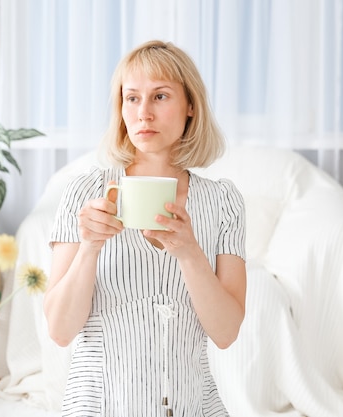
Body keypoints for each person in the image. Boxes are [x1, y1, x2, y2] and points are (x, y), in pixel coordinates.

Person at [43, 40, 247, 417]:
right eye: (132, 98)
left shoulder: (223, 201)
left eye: (160, 96)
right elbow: (60, 330)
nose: (143, 113)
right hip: (97, 407)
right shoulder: (84, 192)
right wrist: (89, 247)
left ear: (191, 106)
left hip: (194, 407)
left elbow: (226, 333)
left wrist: (189, 253)